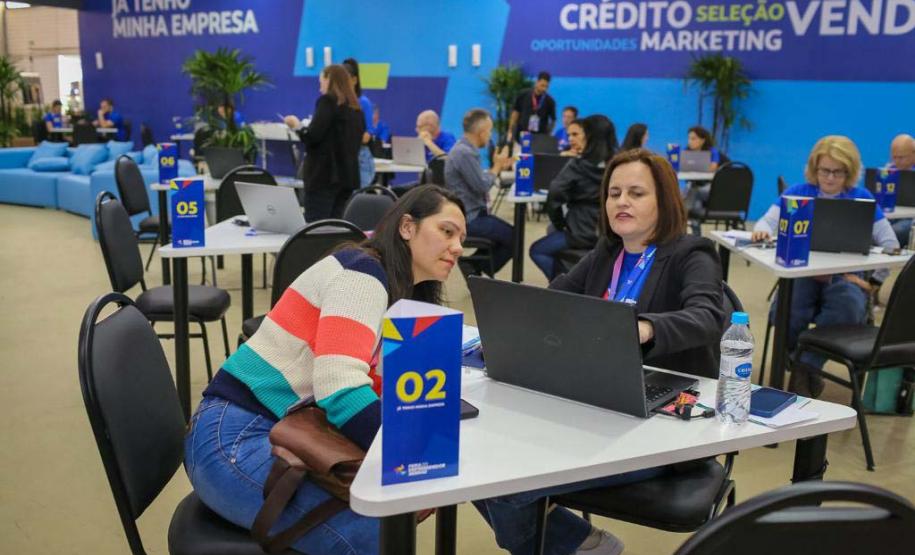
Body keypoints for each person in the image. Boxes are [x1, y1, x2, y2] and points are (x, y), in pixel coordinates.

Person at [184, 185, 468, 555]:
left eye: (462, 239)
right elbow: (340, 388)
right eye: (447, 231)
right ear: (407, 227)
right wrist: (415, 451)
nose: (458, 247)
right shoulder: (362, 275)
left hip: (287, 427)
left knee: (402, 493)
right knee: (375, 535)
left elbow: (383, 387)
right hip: (234, 437)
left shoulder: (396, 291)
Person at [474, 148, 726, 555]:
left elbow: (707, 316)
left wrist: (646, 327)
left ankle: (579, 546)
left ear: (664, 201)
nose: (621, 202)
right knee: (481, 460)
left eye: (636, 193)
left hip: (661, 425)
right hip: (596, 406)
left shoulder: (691, 254)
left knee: (507, 486)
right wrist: (513, 324)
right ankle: (581, 543)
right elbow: (553, 302)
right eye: (614, 193)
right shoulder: (607, 254)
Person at [751, 135, 899, 397]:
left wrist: (872, 283)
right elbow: (765, 222)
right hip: (801, 274)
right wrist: (761, 231)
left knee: (848, 308)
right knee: (789, 311)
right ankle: (805, 368)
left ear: (849, 172)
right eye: (824, 171)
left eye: (838, 172)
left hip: (844, 276)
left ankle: (804, 367)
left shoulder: (861, 198)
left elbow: (891, 243)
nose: (830, 178)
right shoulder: (798, 192)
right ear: (814, 168)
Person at [529, 115, 616, 280]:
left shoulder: (578, 166)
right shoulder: (617, 165)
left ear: (589, 137)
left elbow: (555, 193)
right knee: (552, 231)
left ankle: (563, 285)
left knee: (537, 250)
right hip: (608, 233)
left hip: (579, 231)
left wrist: (560, 223)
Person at [285, 64, 364, 221]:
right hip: (347, 178)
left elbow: (313, 136)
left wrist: (297, 126)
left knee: (317, 225)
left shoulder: (327, 101)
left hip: (324, 177)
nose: (320, 86)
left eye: (321, 81)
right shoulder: (356, 110)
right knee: (336, 226)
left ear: (329, 80)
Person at [444, 108, 514, 276]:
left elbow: (477, 179)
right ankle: (475, 267)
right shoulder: (465, 153)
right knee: (514, 237)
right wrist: (497, 166)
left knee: (508, 235)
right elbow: (482, 186)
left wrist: (497, 168)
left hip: (473, 213)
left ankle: (474, 266)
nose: (490, 136)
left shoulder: (464, 150)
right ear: (482, 132)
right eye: (489, 131)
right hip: (469, 219)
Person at [685, 125, 731, 234]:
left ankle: (683, 217)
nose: (690, 141)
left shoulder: (712, 151)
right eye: (689, 138)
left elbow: (713, 168)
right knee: (694, 199)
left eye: (693, 138)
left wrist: (693, 167)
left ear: (702, 140)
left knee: (692, 193)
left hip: (714, 189)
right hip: (697, 189)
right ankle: (697, 236)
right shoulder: (686, 152)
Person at [342, 58, 376, 187]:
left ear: (354, 80)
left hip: (360, 157)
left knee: (356, 195)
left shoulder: (363, 102)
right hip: (343, 157)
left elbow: (367, 135)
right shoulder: (338, 103)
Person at [507, 71, 556, 144]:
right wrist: (510, 130)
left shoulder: (550, 101)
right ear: (537, 82)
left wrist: (547, 134)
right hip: (521, 134)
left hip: (539, 138)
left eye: (546, 87)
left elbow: (553, 120)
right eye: (542, 85)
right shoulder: (523, 94)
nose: (544, 89)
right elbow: (515, 113)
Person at [888, 133, 915, 246]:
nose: (897, 161)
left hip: (912, 218)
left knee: (895, 232)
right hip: (893, 215)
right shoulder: (889, 171)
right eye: (894, 157)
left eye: (901, 157)